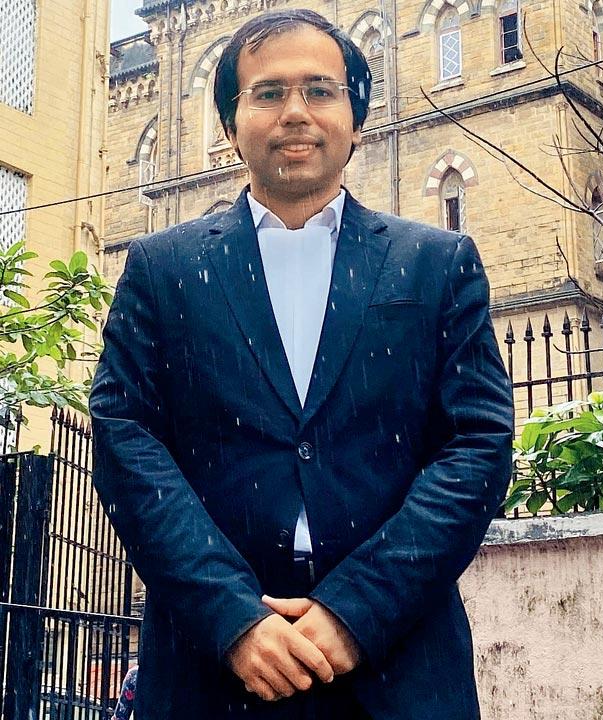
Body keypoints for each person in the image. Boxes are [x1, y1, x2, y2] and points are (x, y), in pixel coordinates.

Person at [90, 9, 513, 719]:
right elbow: (125, 440)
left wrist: (355, 611)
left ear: (356, 115)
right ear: (229, 126)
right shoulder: (162, 269)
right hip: (211, 669)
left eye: (320, 90)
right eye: (267, 93)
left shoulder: (436, 262)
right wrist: (232, 616)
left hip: (398, 666)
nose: (295, 113)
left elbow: (478, 445)